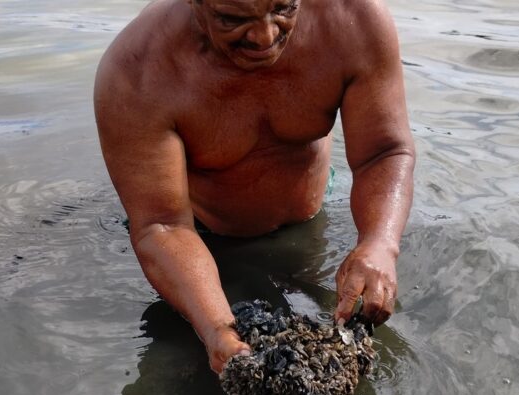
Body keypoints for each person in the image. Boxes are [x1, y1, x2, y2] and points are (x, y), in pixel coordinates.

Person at [94, 0, 416, 374]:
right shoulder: (136, 70)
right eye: (232, 18)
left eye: (284, 7)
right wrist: (216, 330)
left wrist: (379, 243)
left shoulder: (353, 20)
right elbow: (162, 224)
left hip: (309, 220)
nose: (266, 36)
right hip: (199, 236)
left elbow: (384, 152)